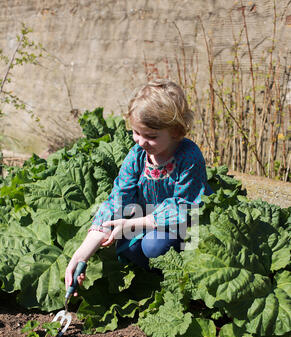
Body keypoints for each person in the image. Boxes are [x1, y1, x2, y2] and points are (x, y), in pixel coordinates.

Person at [65, 79, 213, 293]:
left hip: (184, 225)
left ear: (175, 131)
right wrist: (80, 257)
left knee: (153, 246)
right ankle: (151, 281)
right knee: (130, 247)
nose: (140, 141)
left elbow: (183, 207)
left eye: (151, 136)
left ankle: (180, 281)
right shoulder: (137, 155)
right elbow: (118, 199)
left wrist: (132, 225)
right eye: (136, 132)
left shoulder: (189, 157)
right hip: (144, 220)